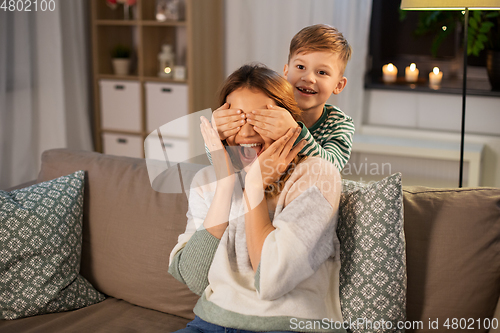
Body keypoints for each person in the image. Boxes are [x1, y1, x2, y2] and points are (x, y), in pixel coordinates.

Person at [168, 64, 343, 333]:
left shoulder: (317, 175)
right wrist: (226, 187)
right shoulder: (209, 181)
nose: (247, 133)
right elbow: (193, 277)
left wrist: (253, 189)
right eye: (236, 120)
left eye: (260, 120)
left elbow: (270, 281)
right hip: (208, 323)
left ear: (288, 122)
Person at [210, 24, 355, 172]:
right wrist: (215, 136)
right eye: (300, 67)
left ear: (339, 85)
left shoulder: (339, 124)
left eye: (322, 72)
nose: (309, 78)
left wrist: (294, 131)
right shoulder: (271, 104)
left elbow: (331, 168)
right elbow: (226, 162)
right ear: (286, 71)